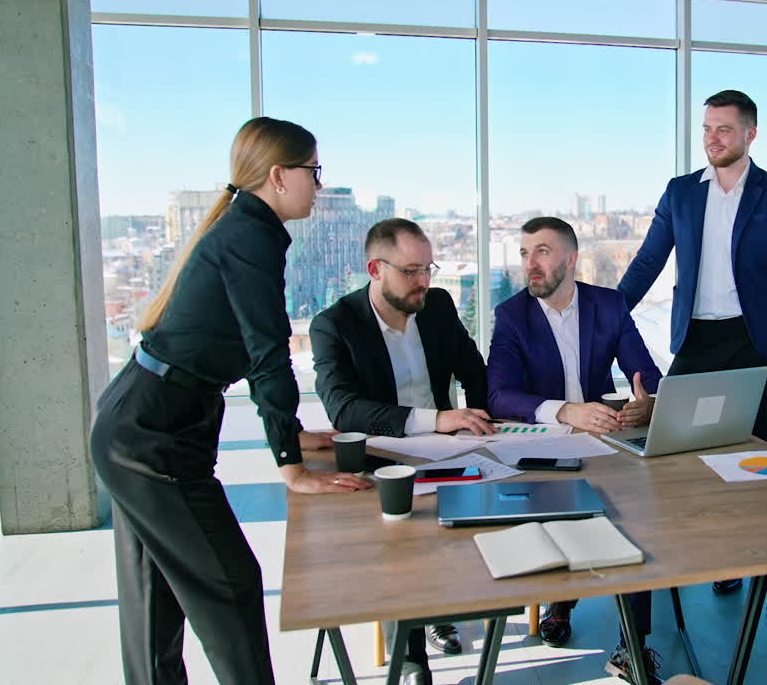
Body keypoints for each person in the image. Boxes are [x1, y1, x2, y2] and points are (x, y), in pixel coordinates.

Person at [90, 117, 373, 685]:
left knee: (154, 600)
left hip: (144, 420)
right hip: (153, 435)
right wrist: (291, 466)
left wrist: (291, 433)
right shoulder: (251, 236)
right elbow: (267, 353)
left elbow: (234, 342)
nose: (319, 184)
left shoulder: (247, 228)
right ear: (279, 176)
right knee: (230, 582)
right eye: (313, 171)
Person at [618, 89, 767, 595]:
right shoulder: (681, 192)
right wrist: (607, 317)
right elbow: (648, 260)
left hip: (755, 341)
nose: (713, 139)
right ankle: (682, 542)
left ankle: (740, 557)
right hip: (696, 337)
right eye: (707, 129)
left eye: (724, 129)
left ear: (750, 134)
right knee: (671, 445)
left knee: (752, 455)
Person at [310, 217, 493, 674]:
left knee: (508, 503)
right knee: (399, 539)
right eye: (411, 271)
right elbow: (344, 411)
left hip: (448, 450)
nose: (423, 282)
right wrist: (437, 419)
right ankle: (411, 665)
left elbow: (475, 370)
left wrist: (486, 421)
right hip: (383, 458)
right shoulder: (334, 324)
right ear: (375, 269)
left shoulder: (437, 306)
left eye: (428, 269)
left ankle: (443, 605)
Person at [487, 216, 663, 683]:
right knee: (567, 502)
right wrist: (565, 412)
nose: (530, 263)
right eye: (524, 253)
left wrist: (648, 401)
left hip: (605, 438)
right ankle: (561, 603)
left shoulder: (609, 304)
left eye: (542, 252)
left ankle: (633, 645)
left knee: (633, 514)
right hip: (542, 443)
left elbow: (646, 373)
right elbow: (498, 395)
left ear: (571, 259)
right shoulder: (512, 314)